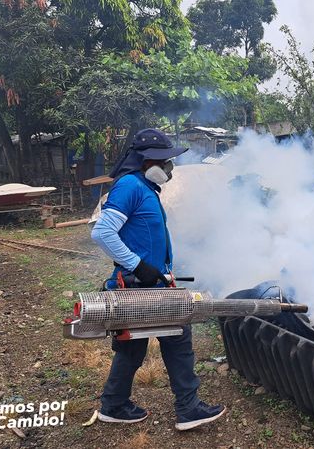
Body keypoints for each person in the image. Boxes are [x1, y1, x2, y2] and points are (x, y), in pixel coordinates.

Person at [91, 128, 226, 429]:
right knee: (178, 338)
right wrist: (138, 266)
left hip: (146, 283)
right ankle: (188, 409)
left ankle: (113, 405)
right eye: (165, 161)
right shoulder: (130, 185)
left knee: (133, 346)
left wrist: (158, 267)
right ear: (146, 161)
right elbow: (102, 232)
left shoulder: (144, 187)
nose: (170, 167)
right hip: (140, 285)